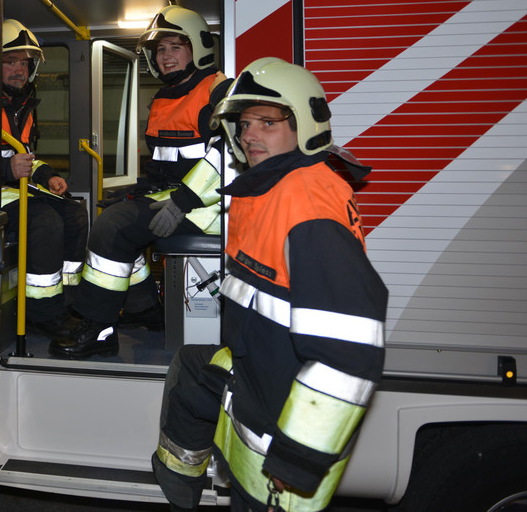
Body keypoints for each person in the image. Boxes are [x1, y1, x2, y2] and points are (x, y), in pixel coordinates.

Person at [151, 57, 388, 512]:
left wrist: (297, 459)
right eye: (243, 124)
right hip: (261, 384)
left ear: (305, 126)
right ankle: (178, 481)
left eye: (267, 123)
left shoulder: (305, 204)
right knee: (193, 367)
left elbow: (349, 353)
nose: (249, 135)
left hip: (282, 461)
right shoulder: (274, 187)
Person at [49, 6, 231, 359]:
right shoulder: (167, 97)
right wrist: (136, 191)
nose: (166, 56)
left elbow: (226, 155)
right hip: (179, 198)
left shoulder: (217, 91)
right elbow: (169, 165)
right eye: (160, 49)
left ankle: (98, 329)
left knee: (113, 226)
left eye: (176, 47)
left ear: (198, 48)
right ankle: (144, 308)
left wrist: (182, 202)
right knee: (119, 214)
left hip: (208, 208)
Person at [0, 19, 89, 339]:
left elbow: (26, 157)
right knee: (45, 221)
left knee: (75, 213)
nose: (19, 70)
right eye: (10, 62)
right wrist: (6, 171)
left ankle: (68, 303)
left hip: (17, 189)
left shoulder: (22, 106)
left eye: (24, 63)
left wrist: (49, 176)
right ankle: (42, 313)